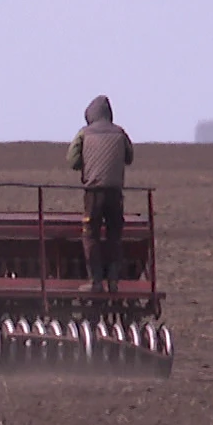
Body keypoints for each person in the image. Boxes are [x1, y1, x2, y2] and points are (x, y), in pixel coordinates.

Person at [66, 94, 134, 293]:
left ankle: (95, 280)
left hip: (94, 192)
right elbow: (129, 157)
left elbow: (72, 161)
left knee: (91, 234)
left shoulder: (84, 133)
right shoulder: (120, 133)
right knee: (114, 235)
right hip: (115, 192)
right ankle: (113, 280)